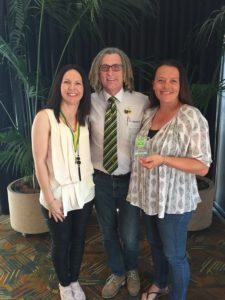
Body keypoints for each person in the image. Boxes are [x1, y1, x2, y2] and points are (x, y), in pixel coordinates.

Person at [127, 60, 212, 300]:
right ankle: (161, 284)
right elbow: (143, 144)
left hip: (174, 202)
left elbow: (202, 166)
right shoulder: (149, 113)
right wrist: (143, 157)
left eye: (172, 81)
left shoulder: (191, 117)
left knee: (174, 255)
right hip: (149, 196)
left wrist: (164, 159)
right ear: (153, 85)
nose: (166, 86)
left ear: (180, 85)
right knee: (155, 246)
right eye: (161, 80)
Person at [88, 47, 149, 299]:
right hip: (101, 179)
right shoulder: (87, 101)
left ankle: (132, 269)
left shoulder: (142, 101)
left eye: (116, 67)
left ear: (125, 72)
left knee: (131, 234)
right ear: (97, 73)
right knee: (107, 232)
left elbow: (148, 137)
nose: (110, 72)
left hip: (131, 180)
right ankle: (117, 271)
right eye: (104, 67)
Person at [32, 65, 95, 300]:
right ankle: (64, 284)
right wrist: (50, 199)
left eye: (78, 83)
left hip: (84, 193)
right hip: (56, 194)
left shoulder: (85, 119)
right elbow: (39, 162)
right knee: (62, 242)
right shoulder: (45, 117)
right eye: (67, 82)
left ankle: (75, 280)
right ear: (59, 86)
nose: (72, 87)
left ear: (84, 89)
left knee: (79, 240)